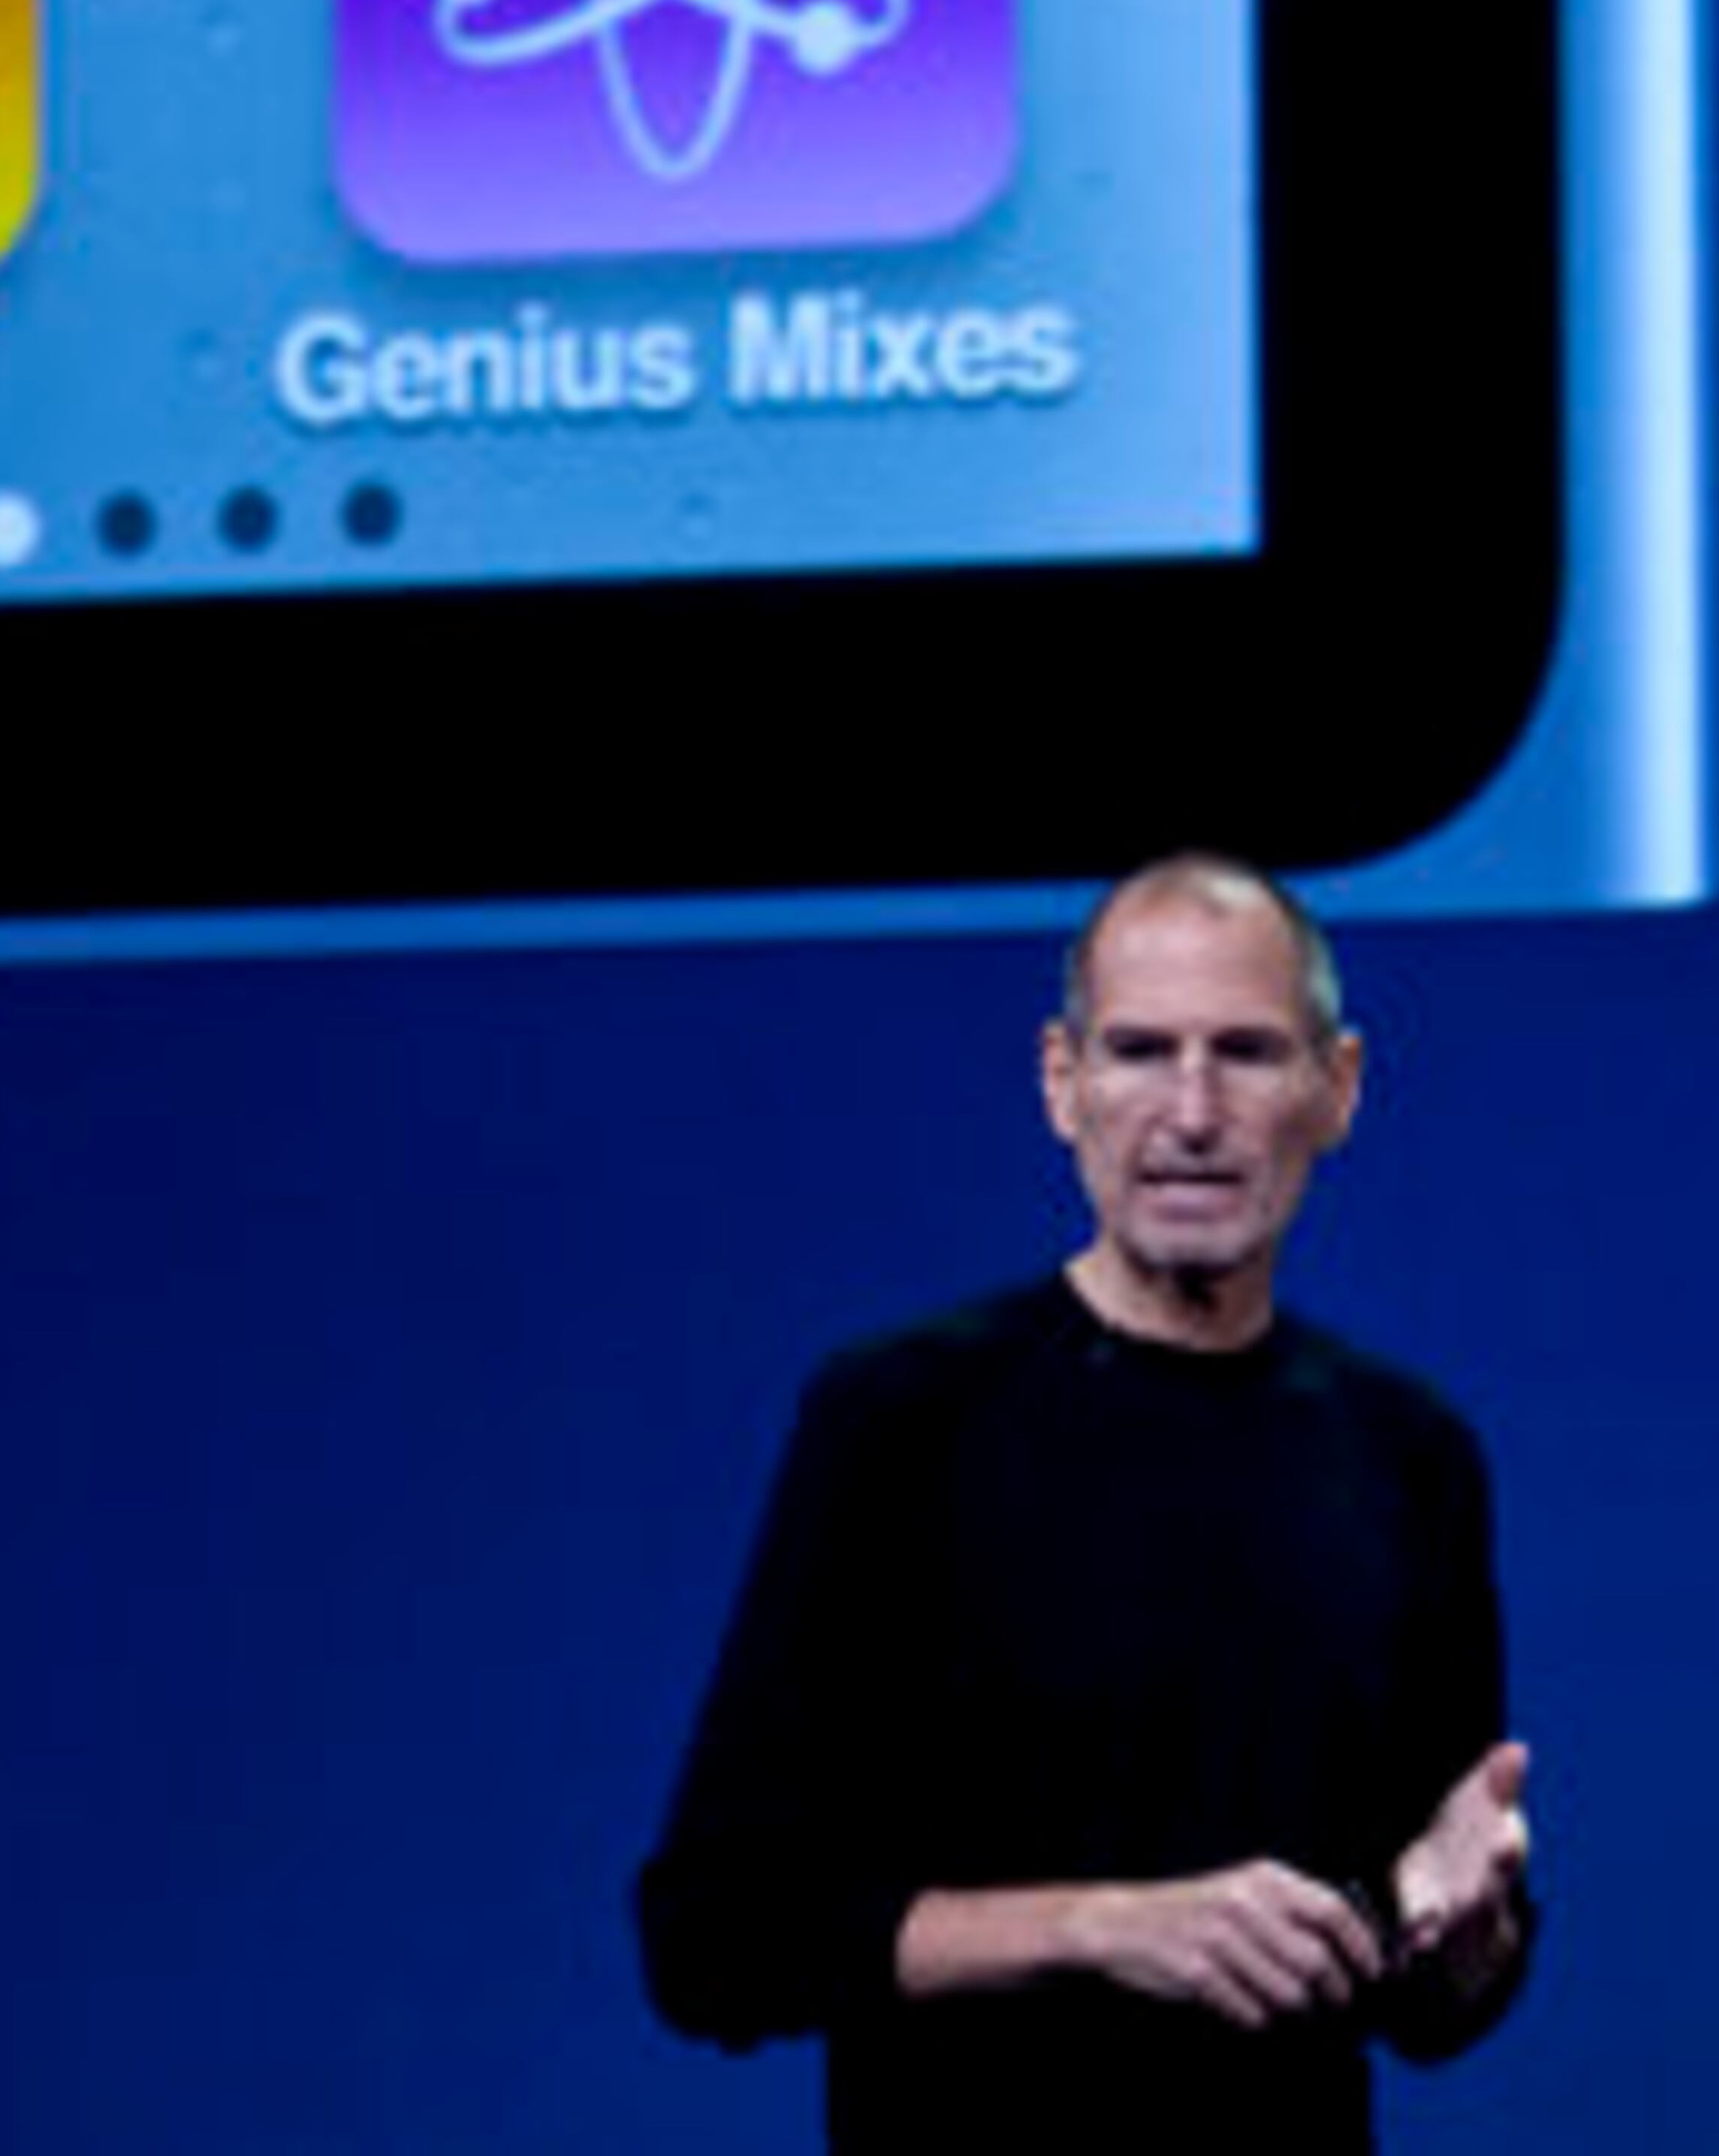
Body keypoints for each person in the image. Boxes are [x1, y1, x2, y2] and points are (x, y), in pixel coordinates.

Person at [634, 855, 1532, 2149]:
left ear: (1337, 1088)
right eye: (1140, 1050)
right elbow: (716, 1934)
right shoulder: (901, 1421)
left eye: (1247, 1052)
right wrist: (1104, 1926)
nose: (1193, 1111)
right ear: (1064, 1083)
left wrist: (1460, 1928)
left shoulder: (1411, 1453)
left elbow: (1432, 2006)